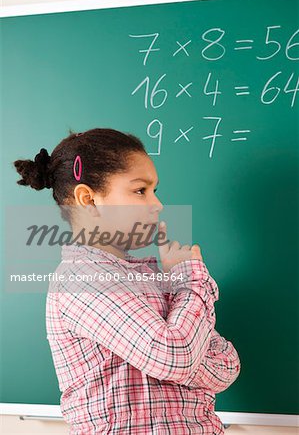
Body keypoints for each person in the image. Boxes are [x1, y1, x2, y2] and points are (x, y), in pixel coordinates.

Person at [13, 127, 241, 434]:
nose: (157, 205)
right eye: (140, 190)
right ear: (88, 199)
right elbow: (177, 356)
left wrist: (179, 351)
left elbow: (227, 366)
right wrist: (190, 281)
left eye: (154, 191)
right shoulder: (83, 278)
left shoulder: (152, 278)